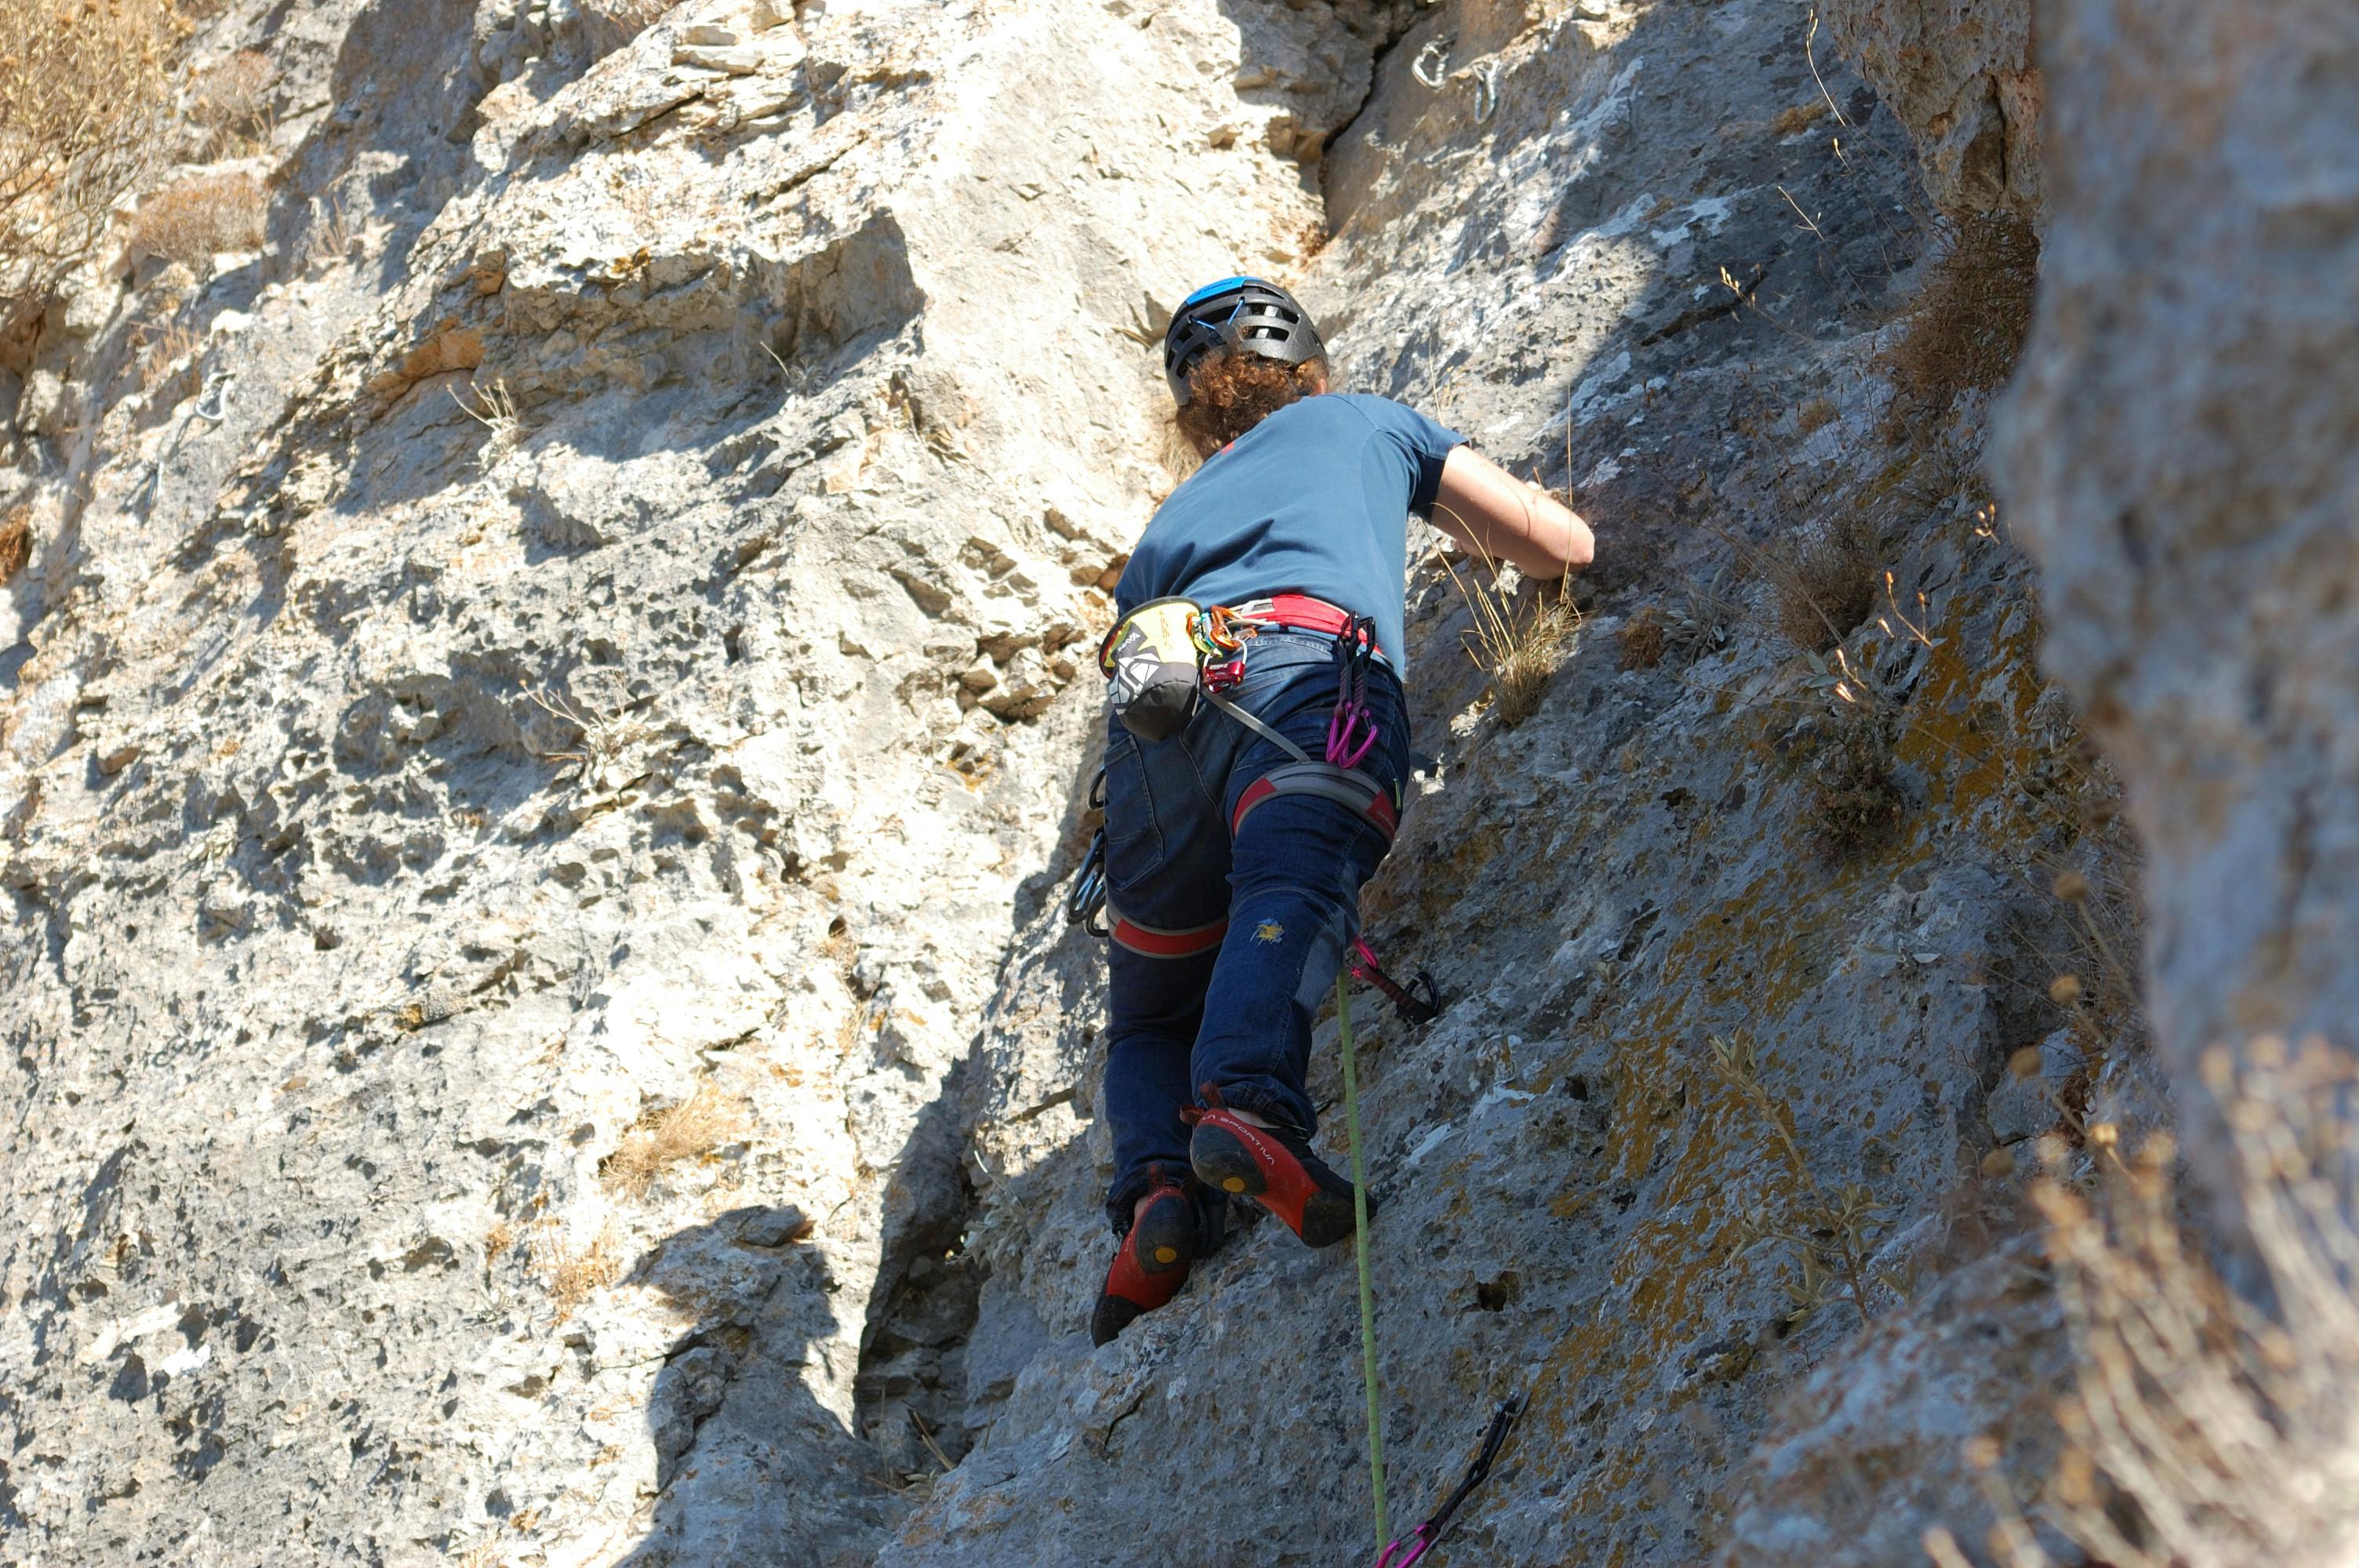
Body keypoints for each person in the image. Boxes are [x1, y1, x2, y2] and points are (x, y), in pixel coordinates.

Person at [1089, 277, 1594, 1345]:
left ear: (1193, 414)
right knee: (1293, 874)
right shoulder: (1364, 422)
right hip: (1301, 668)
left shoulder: (1169, 518)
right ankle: (1251, 1106)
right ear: (1310, 370)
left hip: (1150, 736)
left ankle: (1156, 1195)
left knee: (1148, 1013)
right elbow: (1555, 545)